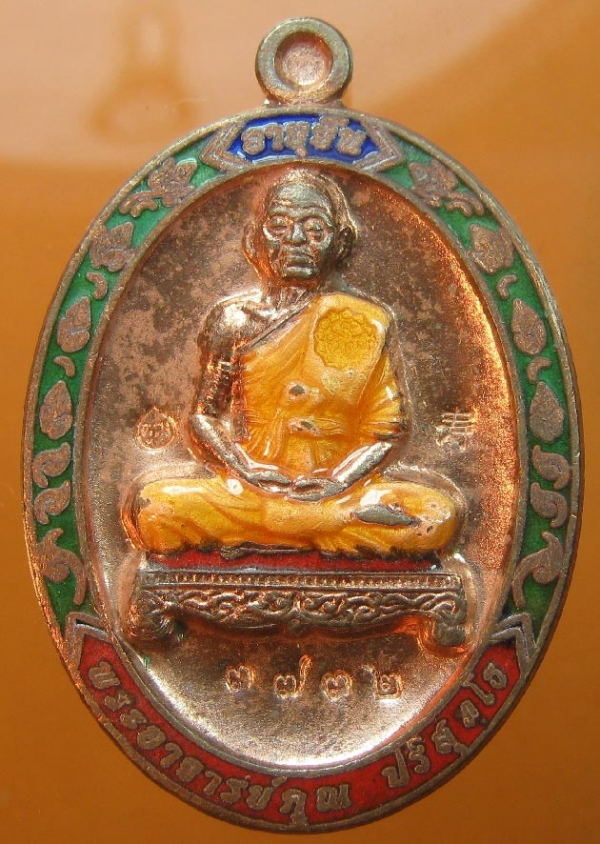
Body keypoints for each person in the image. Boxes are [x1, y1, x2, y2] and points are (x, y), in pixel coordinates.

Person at [129, 168, 458, 559]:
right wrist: (244, 468)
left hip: (338, 494)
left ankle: (275, 533)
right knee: (156, 508)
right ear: (254, 240)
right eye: (279, 226)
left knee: (434, 514)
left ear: (341, 242)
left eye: (315, 229)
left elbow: (386, 432)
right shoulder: (233, 322)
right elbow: (204, 416)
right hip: (251, 491)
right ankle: (306, 529)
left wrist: (339, 482)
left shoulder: (363, 321)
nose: (297, 240)